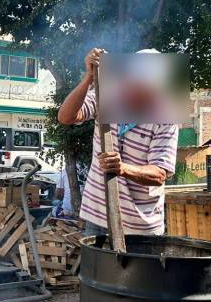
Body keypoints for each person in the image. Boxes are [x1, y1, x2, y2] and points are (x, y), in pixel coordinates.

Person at [57, 48, 179, 235]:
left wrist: (122, 169)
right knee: (96, 265)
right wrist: (89, 77)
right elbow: (66, 117)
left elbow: (159, 173)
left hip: (140, 228)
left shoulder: (165, 117)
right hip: (98, 216)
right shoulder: (108, 95)